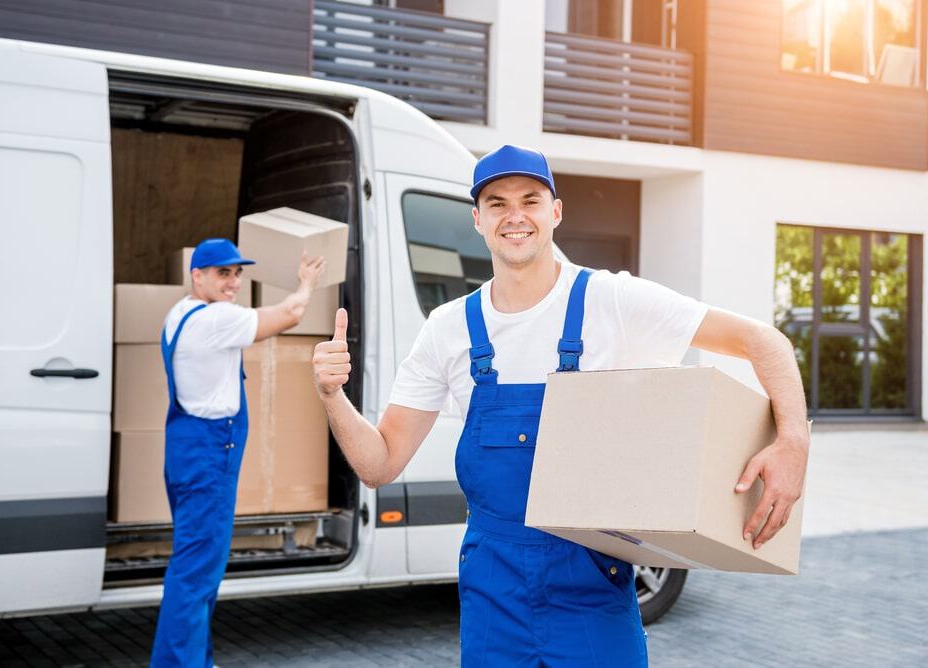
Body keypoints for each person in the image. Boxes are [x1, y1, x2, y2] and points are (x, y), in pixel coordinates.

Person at [312, 145, 809, 666]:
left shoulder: (611, 300)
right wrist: (332, 395)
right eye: (498, 203)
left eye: (531, 199)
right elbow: (379, 463)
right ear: (477, 220)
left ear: (556, 212)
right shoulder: (448, 328)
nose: (515, 215)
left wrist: (792, 442)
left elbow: (763, 341)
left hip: (592, 583)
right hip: (491, 593)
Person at [151, 238, 325, 667]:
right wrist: (306, 283)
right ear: (197, 275)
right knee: (195, 573)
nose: (233, 282)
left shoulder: (178, 315)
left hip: (186, 450)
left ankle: (198, 658)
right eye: (222, 273)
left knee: (199, 566)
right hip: (210, 455)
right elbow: (291, 314)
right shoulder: (214, 319)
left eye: (237, 273)